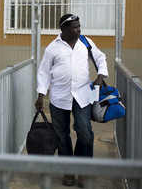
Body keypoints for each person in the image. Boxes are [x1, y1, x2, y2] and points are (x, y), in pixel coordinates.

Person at [35, 13, 108, 187]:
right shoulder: (53, 47)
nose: (79, 29)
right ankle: (68, 170)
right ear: (64, 29)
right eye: (75, 27)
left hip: (82, 95)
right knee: (62, 136)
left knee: (85, 131)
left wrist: (100, 76)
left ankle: (83, 170)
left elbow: (100, 57)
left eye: (79, 26)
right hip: (59, 97)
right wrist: (40, 94)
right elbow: (44, 72)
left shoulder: (86, 42)